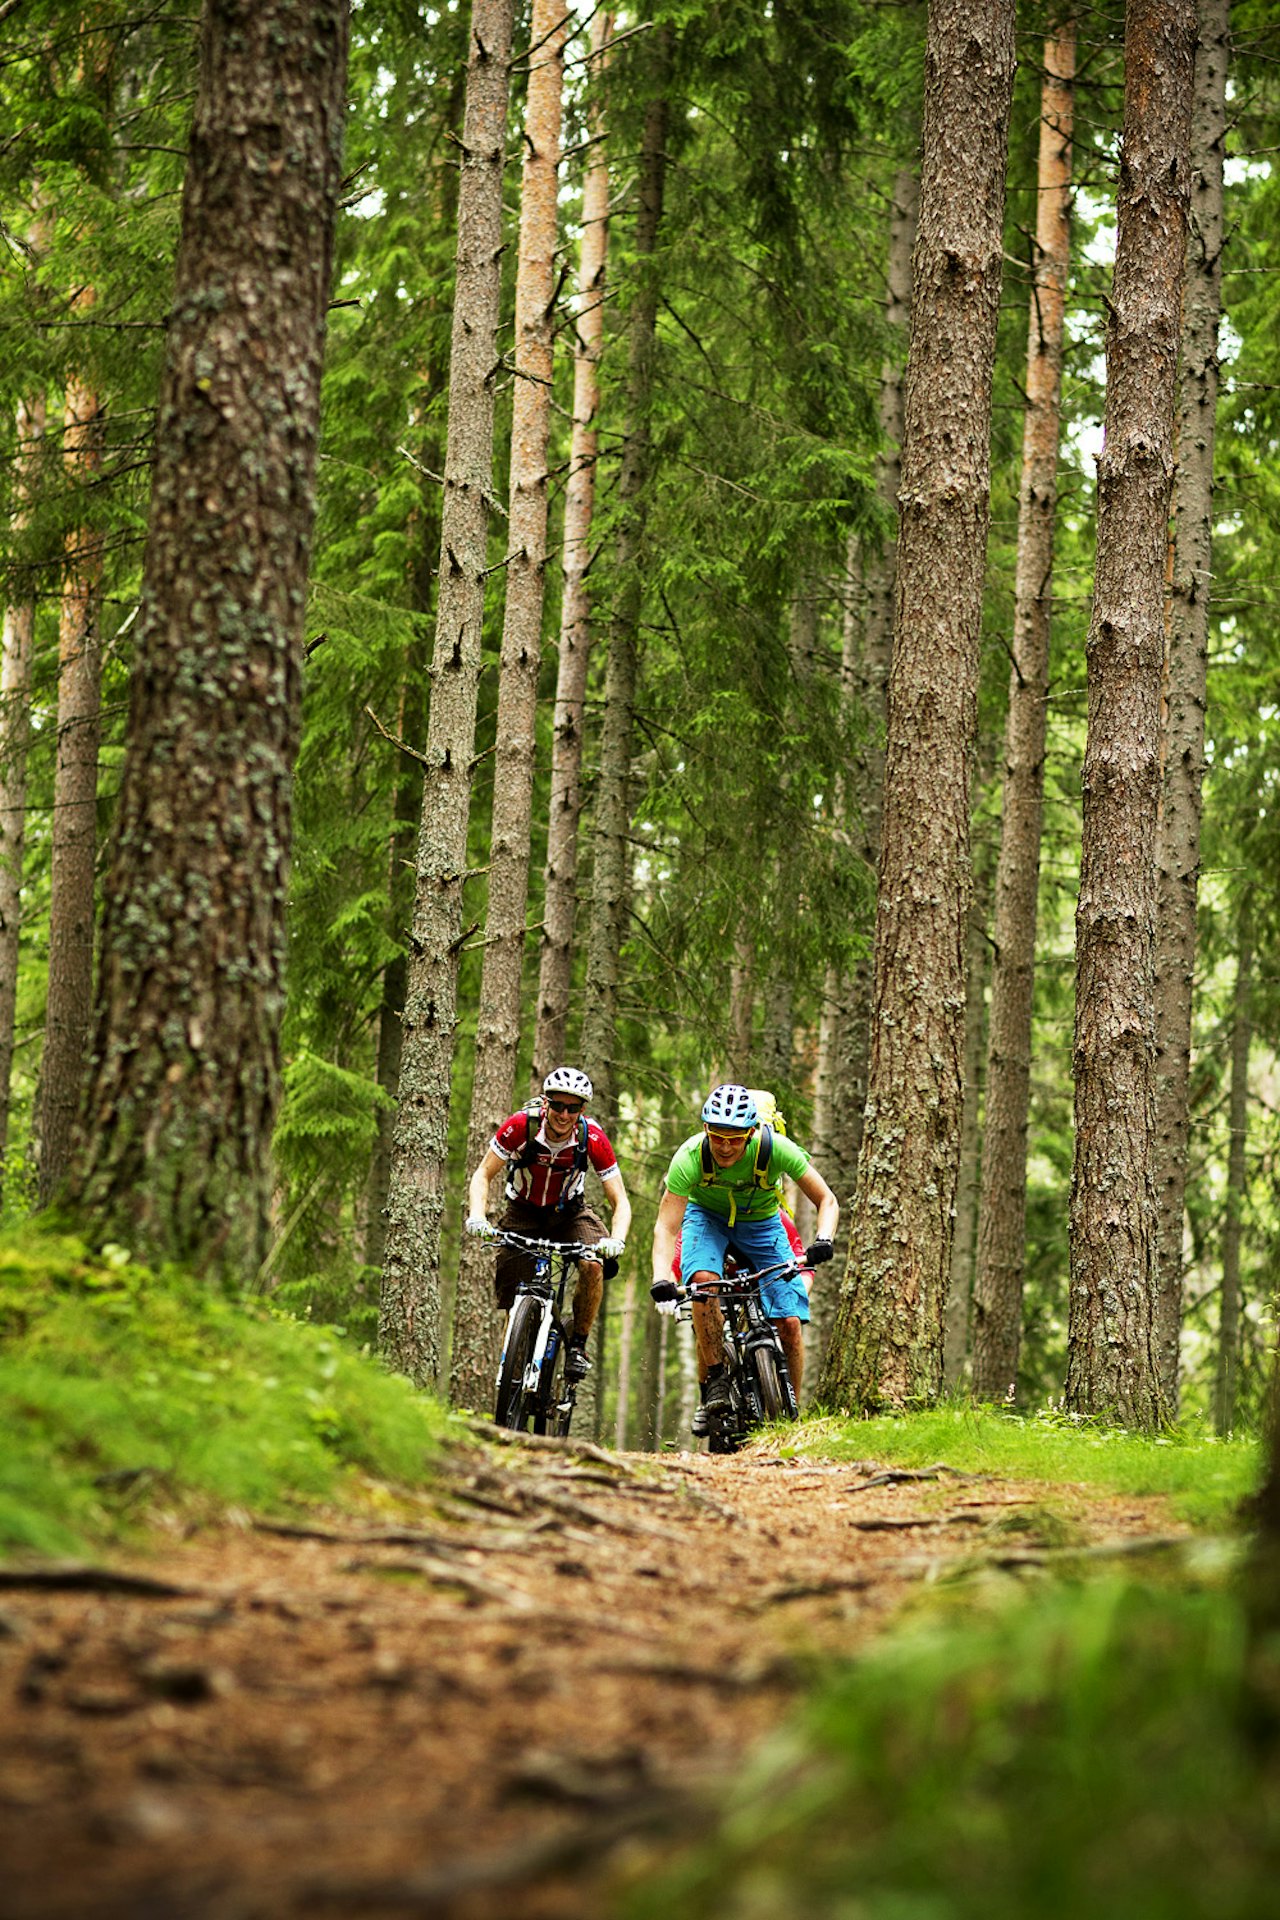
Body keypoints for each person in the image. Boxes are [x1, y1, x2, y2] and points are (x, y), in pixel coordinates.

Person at [650, 1082, 838, 1430]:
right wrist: (662, 1276)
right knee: (705, 1284)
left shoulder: (776, 1149)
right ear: (705, 1129)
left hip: (762, 1223)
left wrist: (824, 1237)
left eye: (735, 1138)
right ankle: (716, 1380)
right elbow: (666, 1226)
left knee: (789, 1323)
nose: (724, 1146)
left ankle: (792, 1416)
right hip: (706, 1219)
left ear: (752, 1132)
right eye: (717, 1136)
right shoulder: (690, 1156)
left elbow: (826, 1199)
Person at [465, 1067, 630, 1381]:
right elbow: (483, 1174)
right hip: (522, 1212)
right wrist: (477, 1214)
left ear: (582, 1110)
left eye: (573, 1108)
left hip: (569, 1213)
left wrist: (616, 1238)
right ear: (545, 1103)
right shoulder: (520, 1127)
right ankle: (512, 1366)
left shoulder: (592, 1137)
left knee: (593, 1265)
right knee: (514, 1298)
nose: (564, 1114)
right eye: (557, 1105)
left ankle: (578, 1347)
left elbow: (620, 1201)